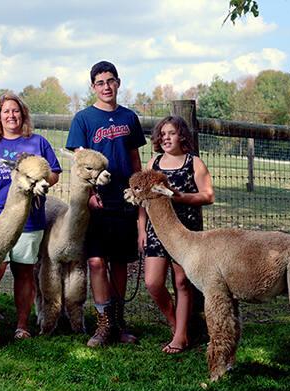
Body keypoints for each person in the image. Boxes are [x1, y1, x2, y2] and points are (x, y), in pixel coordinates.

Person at [0, 93, 62, 340]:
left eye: (15, 111)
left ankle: (22, 325)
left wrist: (39, 174)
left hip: (28, 221)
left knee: (24, 272)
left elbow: (53, 175)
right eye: (6, 112)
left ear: (23, 115)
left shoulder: (37, 143)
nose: (11, 116)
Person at [66, 61, 147, 347]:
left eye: (110, 81)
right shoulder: (84, 119)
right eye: (100, 83)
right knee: (96, 262)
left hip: (123, 199)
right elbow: (79, 164)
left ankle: (119, 324)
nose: (106, 87)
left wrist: (138, 192)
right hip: (96, 201)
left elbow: (135, 159)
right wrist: (88, 194)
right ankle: (103, 323)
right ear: (93, 87)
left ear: (118, 83)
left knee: (120, 263)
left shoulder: (129, 118)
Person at [139, 115, 214, 354]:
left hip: (186, 230)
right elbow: (143, 198)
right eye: (162, 134)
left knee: (182, 282)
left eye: (171, 133)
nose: (166, 138)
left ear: (181, 135)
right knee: (153, 283)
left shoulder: (194, 163)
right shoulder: (154, 163)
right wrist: (141, 229)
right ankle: (175, 321)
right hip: (157, 230)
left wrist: (181, 196)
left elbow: (208, 196)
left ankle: (181, 336)